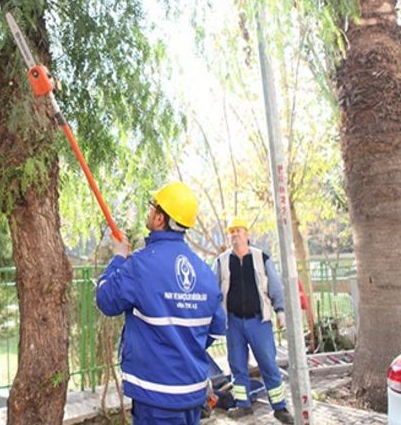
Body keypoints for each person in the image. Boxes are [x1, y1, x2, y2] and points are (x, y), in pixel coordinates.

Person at [96, 181, 226, 425]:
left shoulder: (140, 265)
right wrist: (184, 348)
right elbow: (217, 330)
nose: (149, 211)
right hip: (192, 392)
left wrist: (118, 257)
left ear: (159, 219)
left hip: (155, 397)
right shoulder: (205, 273)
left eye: (152, 207)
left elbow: (105, 299)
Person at [214, 218, 294, 424]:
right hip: (233, 323)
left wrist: (280, 310)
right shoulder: (221, 261)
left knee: (268, 363)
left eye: (239, 231)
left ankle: (279, 407)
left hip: (259, 321)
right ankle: (243, 405)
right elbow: (215, 292)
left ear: (247, 234)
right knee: (237, 365)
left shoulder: (261, 258)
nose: (235, 235)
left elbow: (275, 285)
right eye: (232, 232)